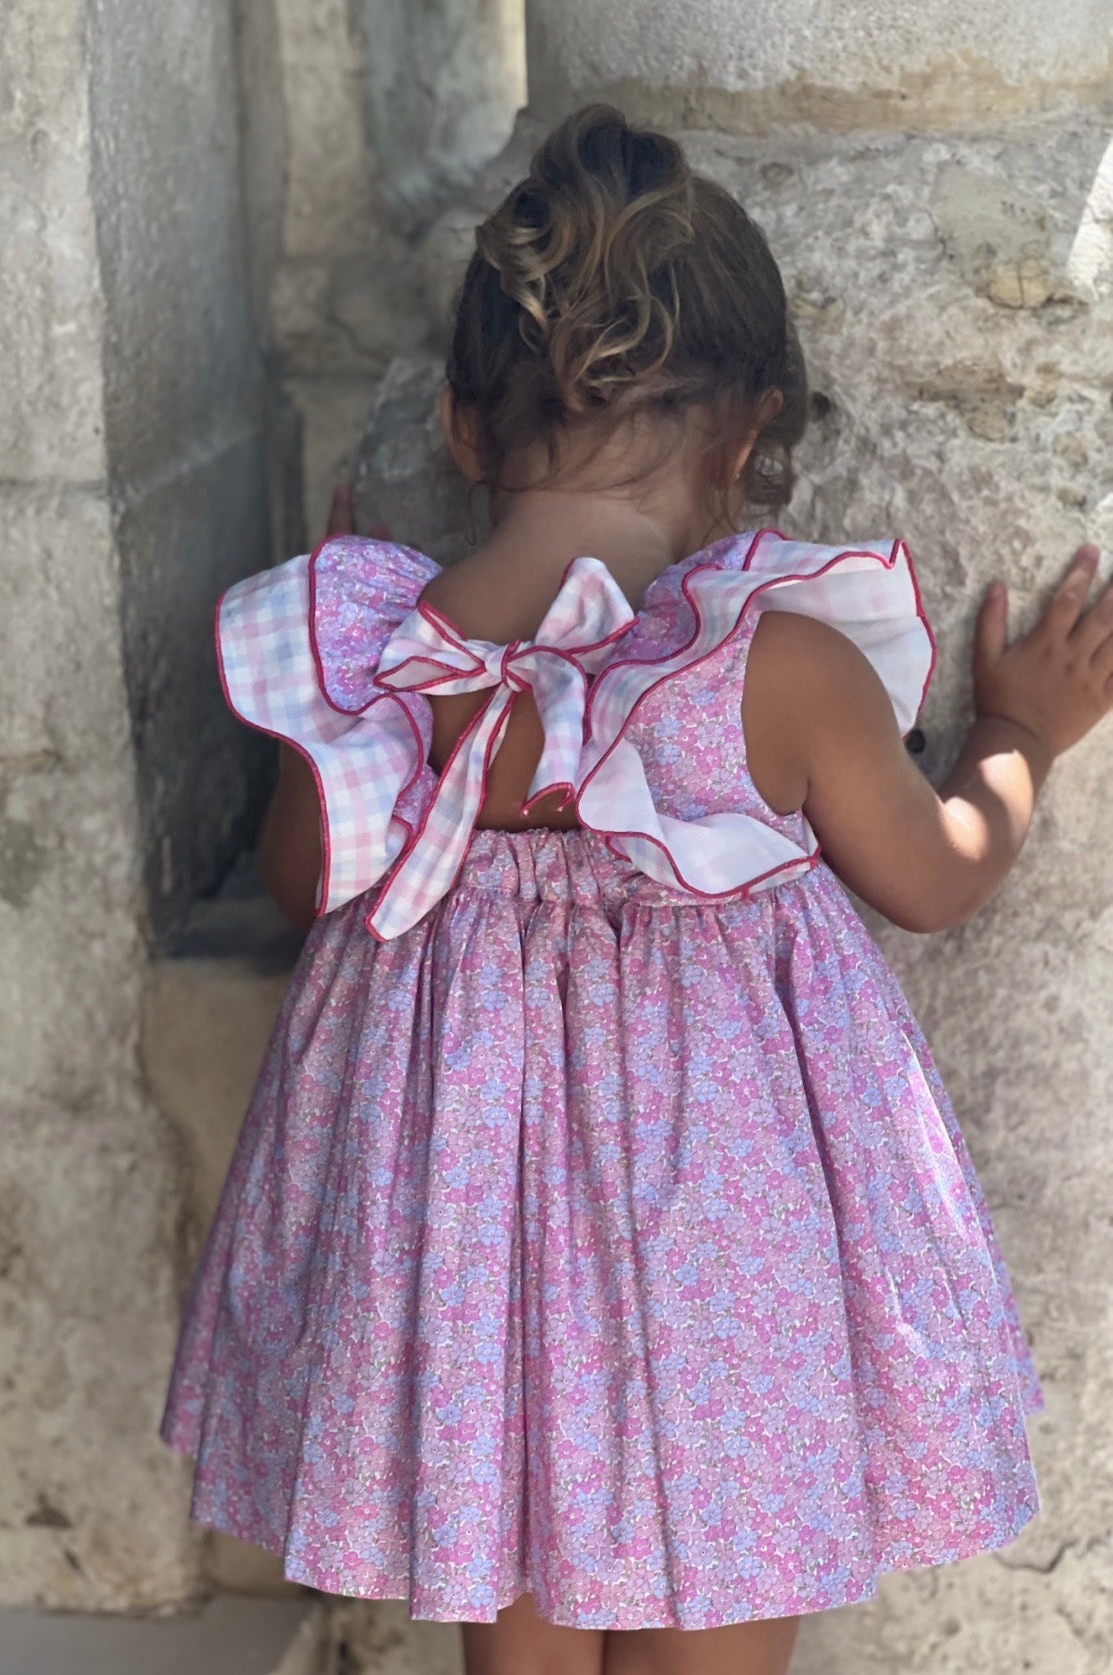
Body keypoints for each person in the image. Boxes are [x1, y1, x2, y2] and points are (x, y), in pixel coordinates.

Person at [161, 105, 1113, 1675]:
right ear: (744, 438)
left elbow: (300, 880)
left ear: (463, 429)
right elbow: (938, 877)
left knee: (517, 1594)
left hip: (473, 1252)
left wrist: (338, 712)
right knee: (720, 1596)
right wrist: (1015, 733)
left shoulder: (392, 659)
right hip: (716, 1260)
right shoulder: (775, 673)